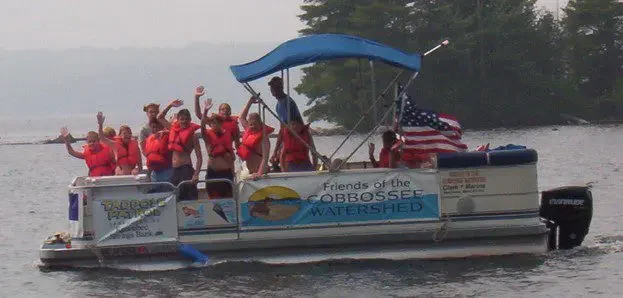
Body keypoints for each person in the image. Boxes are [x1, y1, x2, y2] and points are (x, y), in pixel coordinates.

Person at [159, 101, 203, 201]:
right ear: (178, 120)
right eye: (181, 119)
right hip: (174, 170)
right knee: (174, 199)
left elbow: (199, 157)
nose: (184, 121)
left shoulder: (193, 136)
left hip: (186, 169)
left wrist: (196, 174)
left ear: (190, 120)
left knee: (189, 198)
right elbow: (159, 117)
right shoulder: (173, 129)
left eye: (186, 119)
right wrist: (170, 105)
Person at [262, 77, 302, 165]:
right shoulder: (278, 105)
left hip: (296, 136)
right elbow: (282, 128)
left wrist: (280, 149)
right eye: (272, 87)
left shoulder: (288, 102)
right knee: (276, 158)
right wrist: (276, 150)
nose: (273, 89)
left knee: (282, 158)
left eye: (276, 87)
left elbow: (291, 126)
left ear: (281, 88)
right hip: (287, 135)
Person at [201, 99, 235, 198]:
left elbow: (231, 158)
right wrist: (205, 111)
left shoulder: (227, 136)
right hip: (213, 172)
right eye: (213, 123)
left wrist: (232, 173)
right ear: (210, 124)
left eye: (217, 123)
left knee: (228, 199)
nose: (215, 125)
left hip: (226, 173)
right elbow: (202, 126)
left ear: (221, 124)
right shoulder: (208, 137)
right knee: (213, 200)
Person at [238, 96, 273, 178]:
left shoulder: (264, 137)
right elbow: (242, 117)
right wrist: (250, 102)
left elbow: (265, 157)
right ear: (248, 124)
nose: (253, 126)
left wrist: (259, 173)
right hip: (250, 172)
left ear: (260, 124)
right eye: (251, 124)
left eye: (255, 124)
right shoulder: (248, 130)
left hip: (261, 173)